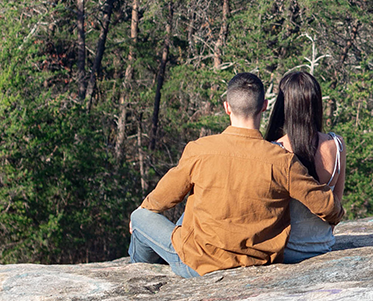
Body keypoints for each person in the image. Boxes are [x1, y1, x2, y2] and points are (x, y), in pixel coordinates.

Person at [128, 72, 342, 277]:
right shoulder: (281, 159)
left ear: (227, 108)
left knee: (140, 217)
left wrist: (144, 207)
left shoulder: (200, 149)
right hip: (257, 260)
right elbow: (328, 206)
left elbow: (163, 198)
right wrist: (336, 216)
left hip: (200, 263)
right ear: (264, 107)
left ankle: (140, 275)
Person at [263, 69, 347, 263]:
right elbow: (336, 203)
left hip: (286, 250)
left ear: (284, 106)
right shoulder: (337, 144)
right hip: (324, 244)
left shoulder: (275, 149)